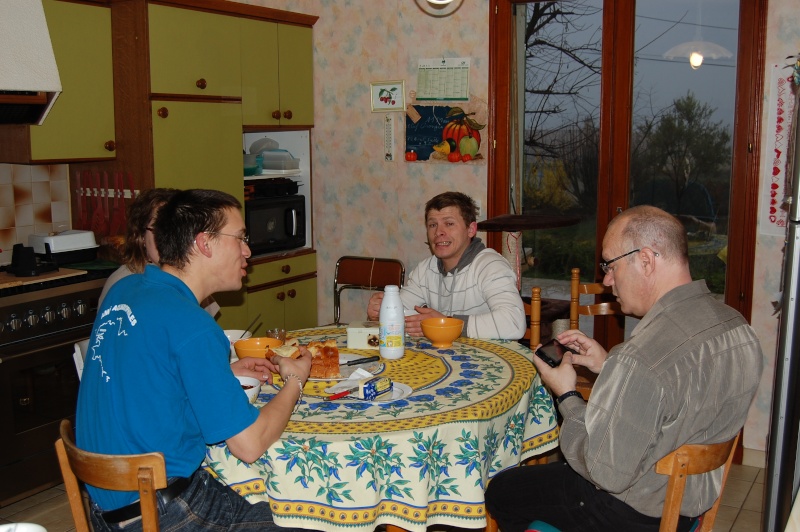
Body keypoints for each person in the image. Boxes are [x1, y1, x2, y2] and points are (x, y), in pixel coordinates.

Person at [484, 205, 763, 532]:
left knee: (502, 490)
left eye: (610, 265)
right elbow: (676, 392)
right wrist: (609, 365)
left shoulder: (641, 358)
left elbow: (604, 473)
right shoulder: (736, 326)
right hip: (690, 504)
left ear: (646, 260)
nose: (606, 280)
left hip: (630, 513)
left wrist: (566, 395)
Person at [76, 189, 312, 531]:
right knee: (311, 517)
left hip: (106, 511)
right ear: (205, 243)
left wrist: (222, 371)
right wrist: (295, 380)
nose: (248, 250)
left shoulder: (125, 291)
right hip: (162, 513)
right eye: (241, 238)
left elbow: (148, 377)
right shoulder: (192, 323)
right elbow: (250, 444)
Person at [367, 191, 526, 340]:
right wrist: (382, 311)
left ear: (471, 229)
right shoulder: (425, 270)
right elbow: (400, 312)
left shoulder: (490, 266)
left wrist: (446, 324)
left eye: (449, 224)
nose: (438, 232)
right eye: (432, 225)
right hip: (444, 359)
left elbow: (514, 323)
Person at [98, 187, 221, 318]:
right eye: (160, 229)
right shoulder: (125, 284)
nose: (169, 237)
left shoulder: (187, 276)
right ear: (141, 236)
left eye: (178, 229)